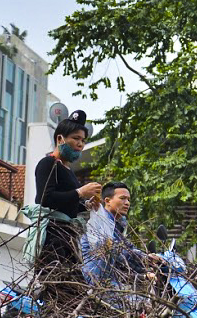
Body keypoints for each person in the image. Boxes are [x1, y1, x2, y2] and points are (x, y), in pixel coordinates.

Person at [33, 110, 101, 301]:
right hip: (53, 237)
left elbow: (69, 203)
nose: (80, 144)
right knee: (58, 289)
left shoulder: (68, 171)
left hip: (69, 237)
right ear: (60, 138)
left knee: (73, 290)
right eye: (76, 138)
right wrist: (80, 192)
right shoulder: (48, 164)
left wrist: (86, 205)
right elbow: (45, 199)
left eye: (83, 140)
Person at [81, 182, 158, 306]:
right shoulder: (100, 224)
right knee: (143, 306)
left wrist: (150, 259)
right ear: (107, 201)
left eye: (128, 199)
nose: (127, 203)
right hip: (100, 285)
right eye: (122, 198)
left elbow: (128, 247)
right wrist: (144, 259)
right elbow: (119, 252)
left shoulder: (116, 225)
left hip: (113, 281)